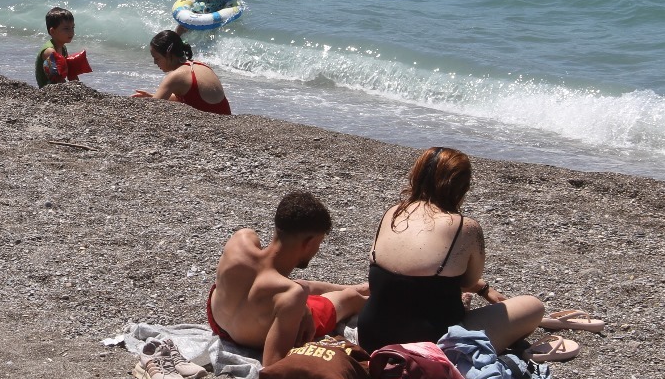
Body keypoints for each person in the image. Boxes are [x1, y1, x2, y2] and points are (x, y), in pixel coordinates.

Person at [355, 147, 603, 360]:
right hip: (430, 346)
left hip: (371, 336)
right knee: (533, 307)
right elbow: (468, 281)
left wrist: (484, 290)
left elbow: (410, 276)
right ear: (461, 186)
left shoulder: (393, 213)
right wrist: (483, 289)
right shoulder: (465, 227)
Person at [207, 191, 369, 366]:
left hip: (219, 322)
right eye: (319, 242)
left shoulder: (240, 240)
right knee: (349, 298)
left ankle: (359, 287)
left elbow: (273, 282)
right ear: (309, 242)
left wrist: (301, 305)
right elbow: (273, 363)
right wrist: (298, 307)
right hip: (255, 338)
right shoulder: (291, 294)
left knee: (297, 287)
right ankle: (370, 296)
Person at [132, 30, 231, 115]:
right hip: (226, 120)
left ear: (168, 54)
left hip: (213, 125)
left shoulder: (176, 76)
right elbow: (190, 97)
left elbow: (152, 108)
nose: (154, 62)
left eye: (157, 58)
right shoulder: (200, 65)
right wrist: (152, 96)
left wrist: (153, 100)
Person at [34, 6, 90, 88]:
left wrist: (79, 87)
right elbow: (57, 79)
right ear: (52, 31)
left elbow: (70, 74)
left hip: (58, 87)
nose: (71, 32)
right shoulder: (49, 51)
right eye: (66, 29)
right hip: (47, 91)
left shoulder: (63, 48)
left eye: (72, 27)